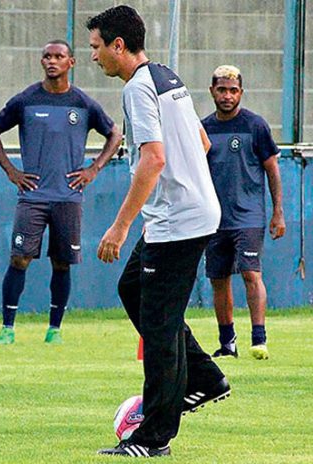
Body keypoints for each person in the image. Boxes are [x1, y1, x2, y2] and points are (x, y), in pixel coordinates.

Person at [87, 5, 231, 457]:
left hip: (179, 223)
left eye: (96, 48)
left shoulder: (137, 89)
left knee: (160, 324)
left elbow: (153, 158)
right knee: (134, 289)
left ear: (118, 46)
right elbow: (202, 143)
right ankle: (206, 378)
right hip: (185, 214)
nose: (93, 57)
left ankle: (154, 437)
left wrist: (120, 226)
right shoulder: (168, 77)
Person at [0, 40, 121, 345]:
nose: (51, 61)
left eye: (58, 56)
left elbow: (114, 133)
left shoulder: (82, 103)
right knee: (20, 259)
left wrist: (93, 169)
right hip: (32, 196)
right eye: (46, 56)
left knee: (62, 263)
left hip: (68, 197)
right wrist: (11, 171)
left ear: (71, 62)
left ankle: (54, 329)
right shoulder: (26, 100)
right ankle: (7, 328)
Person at [203, 65, 285, 360]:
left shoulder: (256, 125)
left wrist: (278, 212)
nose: (227, 96)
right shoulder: (203, 128)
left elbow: (272, 170)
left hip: (249, 216)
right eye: (222, 90)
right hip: (213, 218)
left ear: (241, 93)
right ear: (212, 90)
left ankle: (259, 338)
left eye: (233, 90)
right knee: (219, 278)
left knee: (251, 272)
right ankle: (227, 344)